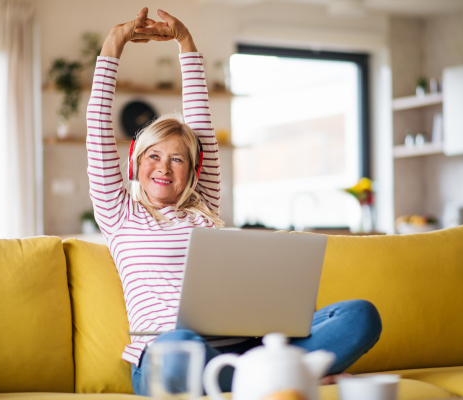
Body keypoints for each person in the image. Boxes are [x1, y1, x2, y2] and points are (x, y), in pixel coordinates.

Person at [87, 7, 382, 396]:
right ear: (135, 163)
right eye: (153, 156)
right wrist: (113, 44)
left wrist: (186, 41)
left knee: (360, 316)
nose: (164, 167)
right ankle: (280, 377)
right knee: (182, 342)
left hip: (248, 347)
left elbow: (203, 131)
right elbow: (97, 127)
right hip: (169, 355)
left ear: (192, 171)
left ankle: (261, 374)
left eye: (177, 159)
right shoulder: (119, 212)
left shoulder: (203, 206)